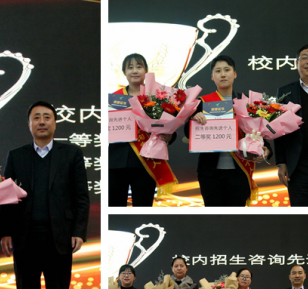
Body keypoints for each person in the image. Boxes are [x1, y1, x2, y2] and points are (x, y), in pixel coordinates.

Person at [0, 101, 89, 289]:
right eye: (36, 117)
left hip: (58, 239)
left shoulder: (71, 154)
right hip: (25, 239)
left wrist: (78, 231)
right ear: (29, 124)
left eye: (46, 117)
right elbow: (5, 197)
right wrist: (5, 231)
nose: (41, 121)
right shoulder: (17, 155)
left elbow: (81, 196)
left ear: (55, 123)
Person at [184, 55, 272, 206]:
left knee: (235, 216)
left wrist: (266, 150)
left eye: (227, 70)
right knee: (214, 216)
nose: (223, 74)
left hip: (239, 171)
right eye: (218, 71)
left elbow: (260, 132)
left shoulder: (247, 103)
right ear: (212, 77)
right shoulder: (203, 103)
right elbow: (188, 133)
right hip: (210, 174)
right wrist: (194, 119)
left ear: (235, 74)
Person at [109, 53, 177, 207]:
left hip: (146, 162)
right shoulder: (114, 98)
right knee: (115, 206)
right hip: (116, 162)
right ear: (124, 72)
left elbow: (170, 124)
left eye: (139, 67)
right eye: (130, 67)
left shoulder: (157, 96)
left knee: (143, 205)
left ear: (146, 71)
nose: (134, 70)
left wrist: (169, 136)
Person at [274, 43, 308, 206]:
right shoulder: (285, 92)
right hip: (297, 167)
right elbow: (278, 129)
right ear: (296, 63)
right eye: (304, 58)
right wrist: (281, 162)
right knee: (301, 214)